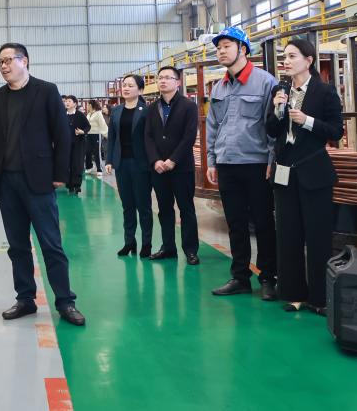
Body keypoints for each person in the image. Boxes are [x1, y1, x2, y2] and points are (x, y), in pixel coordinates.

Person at [0, 43, 86, 326]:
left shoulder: (46, 91)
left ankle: (65, 301)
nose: (4, 66)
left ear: (24, 61)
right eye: (0, 62)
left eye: (8, 60)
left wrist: (60, 173)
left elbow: (61, 135)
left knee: (51, 244)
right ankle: (25, 299)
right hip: (7, 183)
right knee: (17, 246)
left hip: (39, 181)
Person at [266, 39, 343, 315]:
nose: (286, 62)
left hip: (314, 172)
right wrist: (277, 111)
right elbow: (271, 130)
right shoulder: (280, 90)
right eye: (284, 57)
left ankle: (320, 298)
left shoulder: (325, 92)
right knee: (288, 234)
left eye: (292, 56)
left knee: (318, 236)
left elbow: (336, 131)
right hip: (285, 172)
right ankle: (293, 293)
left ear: (309, 60)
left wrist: (307, 121)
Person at [205, 26, 279, 301]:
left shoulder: (265, 83)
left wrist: (271, 159)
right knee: (235, 223)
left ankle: (268, 277)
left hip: (256, 163)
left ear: (243, 49)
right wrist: (212, 159)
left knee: (263, 222)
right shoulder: (219, 86)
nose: (221, 51)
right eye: (218, 48)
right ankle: (240, 277)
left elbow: (273, 125)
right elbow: (213, 125)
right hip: (227, 163)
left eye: (226, 46)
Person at [144, 66, 201, 266]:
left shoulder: (188, 106)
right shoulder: (152, 108)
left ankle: (191, 250)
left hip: (182, 168)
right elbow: (148, 137)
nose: (163, 81)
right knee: (164, 209)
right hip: (159, 169)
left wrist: (173, 160)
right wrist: (155, 160)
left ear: (178, 82)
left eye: (168, 77)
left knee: (186, 209)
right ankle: (168, 247)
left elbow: (189, 136)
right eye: (160, 78)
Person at [105, 75, 154, 257]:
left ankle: (147, 244)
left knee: (144, 206)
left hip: (141, 164)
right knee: (127, 206)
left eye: (130, 85)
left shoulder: (146, 111)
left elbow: (151, 138)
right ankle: (129, 242)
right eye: (124, 85)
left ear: (140, 90)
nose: (125, 88)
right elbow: (112, 138)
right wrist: (109, 160)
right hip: (121, 164)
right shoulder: (116, 111)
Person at [63, 95, 90, 194]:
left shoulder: (80, 115)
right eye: (66, 101)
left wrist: (82, 131)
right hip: (66, 144)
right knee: (67, 164)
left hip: (79, 144)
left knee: (77, 164)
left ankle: (77, 185)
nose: (67, 103)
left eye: (69, 101)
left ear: (75, 104)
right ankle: (69, 185)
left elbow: (88, 126)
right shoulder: (62, 114)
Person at [85, 100, 108, 175]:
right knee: (87, 151)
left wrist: (107, 135)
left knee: (97, 152)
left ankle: (99, 169)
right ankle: (89, 167)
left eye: (88, 105)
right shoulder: (88, 114)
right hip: (89, 135)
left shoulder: (98, 113)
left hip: (96, 134)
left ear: (91, 105)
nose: (87, 106)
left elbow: (102, 124)